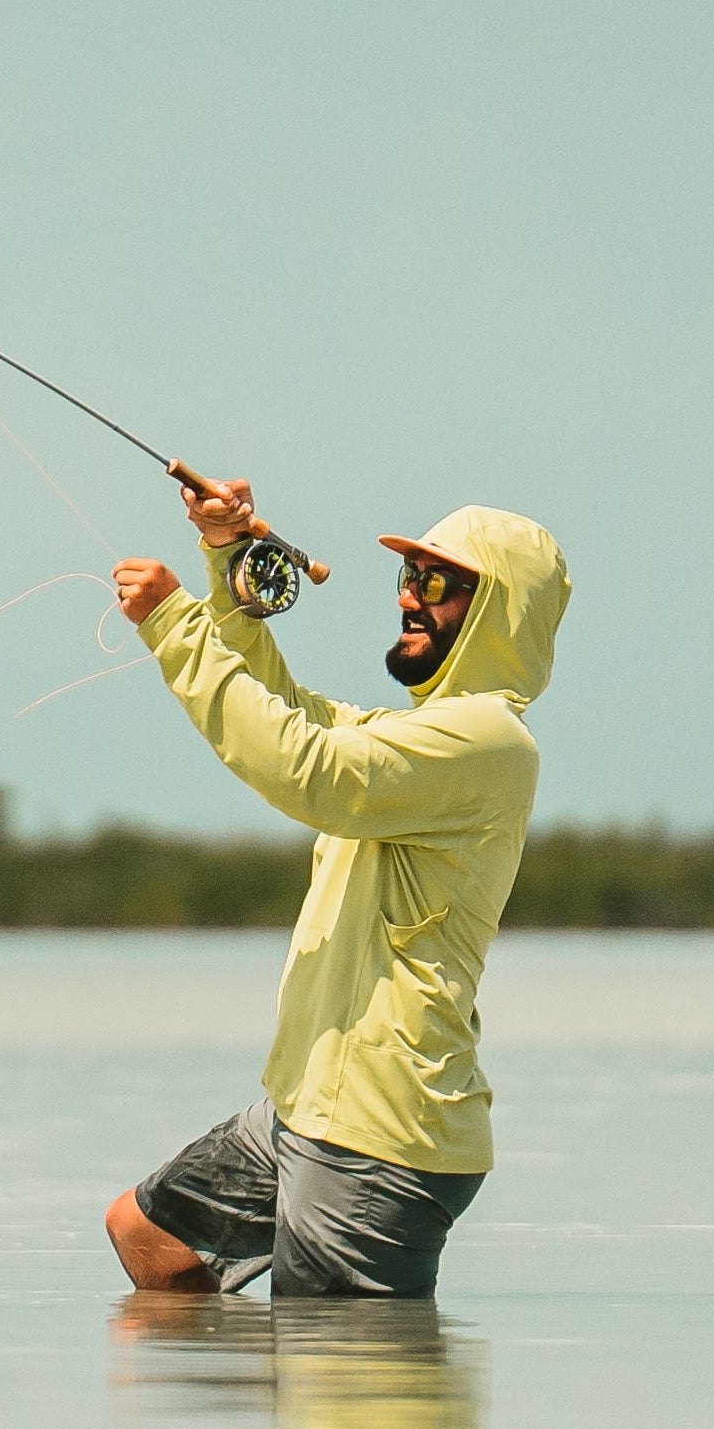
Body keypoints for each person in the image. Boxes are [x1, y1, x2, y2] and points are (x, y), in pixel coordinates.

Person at [102, 479, 571, 1301]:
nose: (408, 601)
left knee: (342, 1376)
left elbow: (305, 770)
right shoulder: (421, 735)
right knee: (148, 1238)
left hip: (381, 1135)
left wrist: (175, 625)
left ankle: (313, 1420)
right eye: (405, 580)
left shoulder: (488, 741)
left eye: (434, 584)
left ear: (497, 611)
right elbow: (289, 714)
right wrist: (225, 563)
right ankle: (275, 1425)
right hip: (307, 1106)